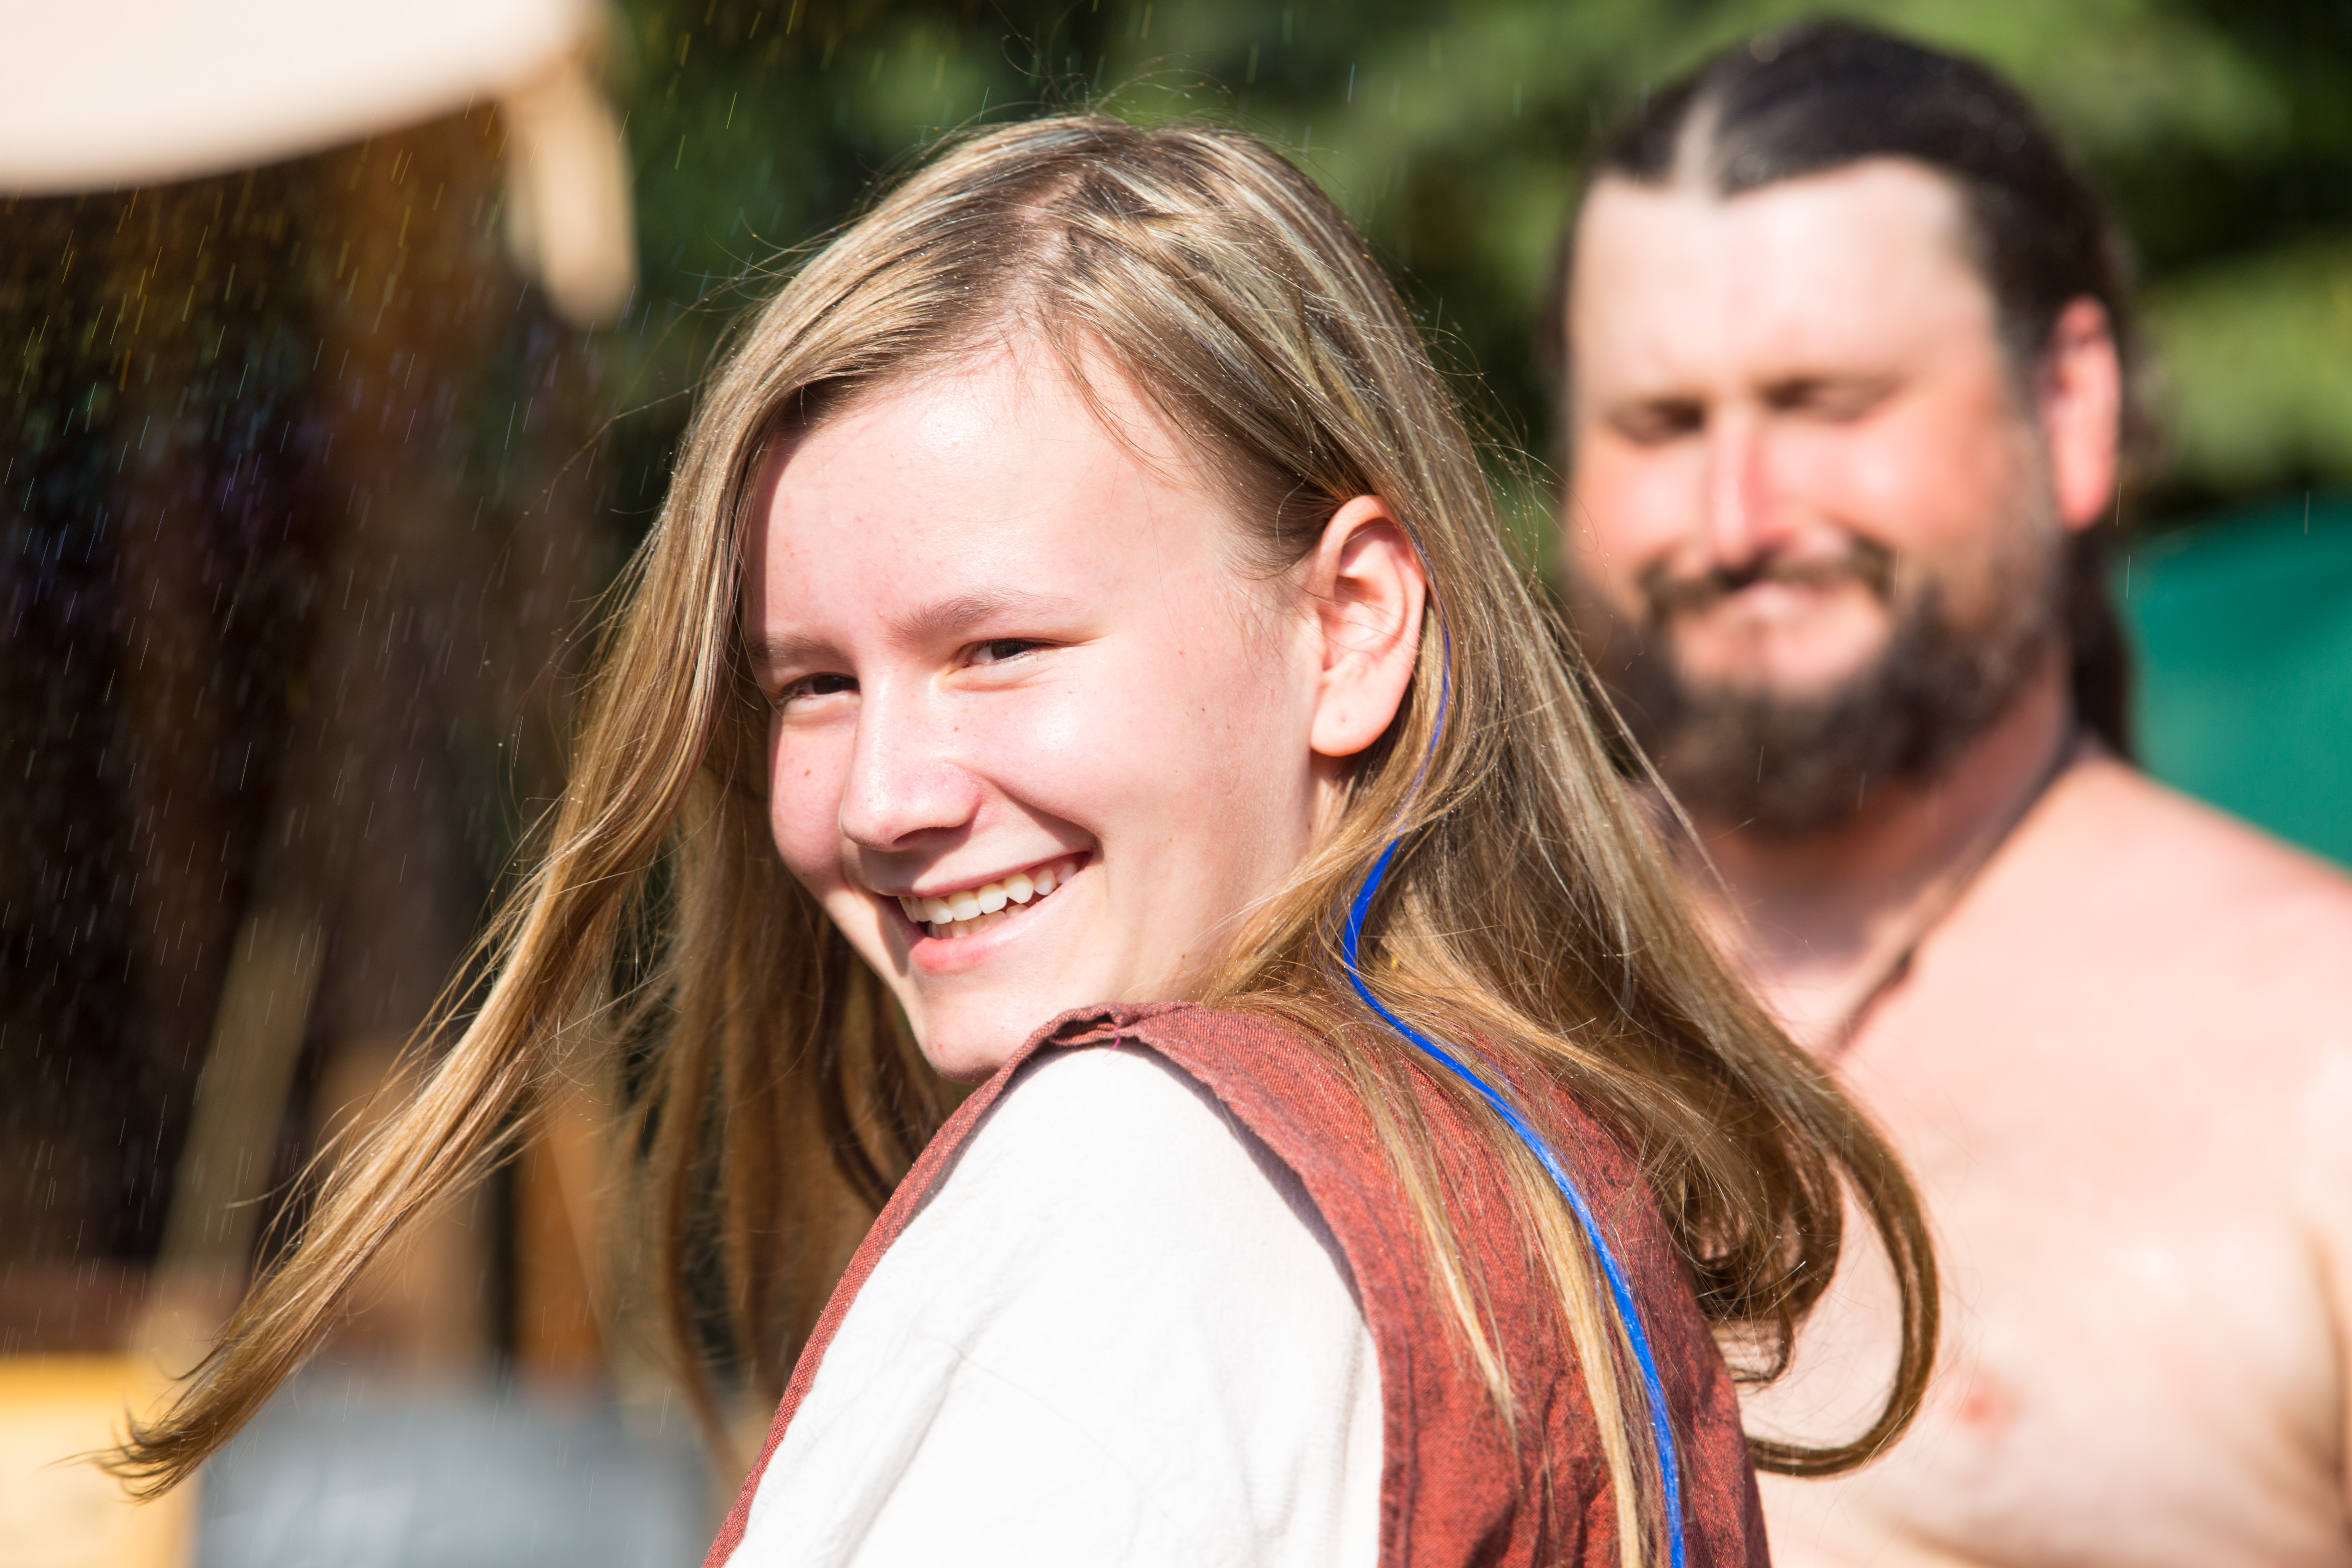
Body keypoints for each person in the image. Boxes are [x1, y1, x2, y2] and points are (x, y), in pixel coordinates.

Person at [111, 115, 1936, 1566]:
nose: (882, 796)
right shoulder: (1517, 1171)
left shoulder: (1144, 1186)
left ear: (1352, 626)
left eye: (1000, 650)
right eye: (812, 685)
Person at [1552, 20, 2352, 1567]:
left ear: (2070, 408)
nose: (1739, 517)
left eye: (1826, 404)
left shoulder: (2323, 1054)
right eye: (1661, 426)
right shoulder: (1431, 982)